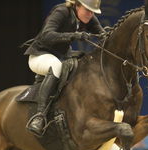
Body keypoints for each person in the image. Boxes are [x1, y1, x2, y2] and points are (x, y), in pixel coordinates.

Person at [24, 0, 105, 136]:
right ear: (77, 5)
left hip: (62, 56)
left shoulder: (88, 17)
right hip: (40, 55)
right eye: (88, 10)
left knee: (86, 62)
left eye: (93, 12)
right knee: (56, 66)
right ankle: (39, 116)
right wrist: (74, 35)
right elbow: (46, 35)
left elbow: (102, 35)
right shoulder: (62, 11)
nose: (90, 14)